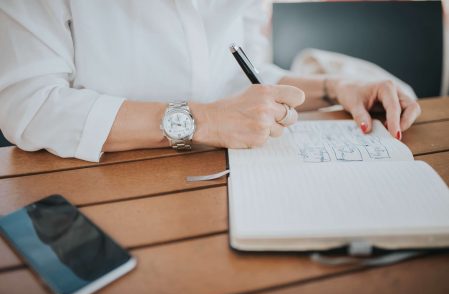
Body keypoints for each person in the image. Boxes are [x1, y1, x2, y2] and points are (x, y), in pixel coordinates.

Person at [0, 0, 421, 162]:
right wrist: (202, 121)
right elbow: (29, 105)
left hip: (221, 179)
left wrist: (333, 88)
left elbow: (239, 78)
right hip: (92, 186)